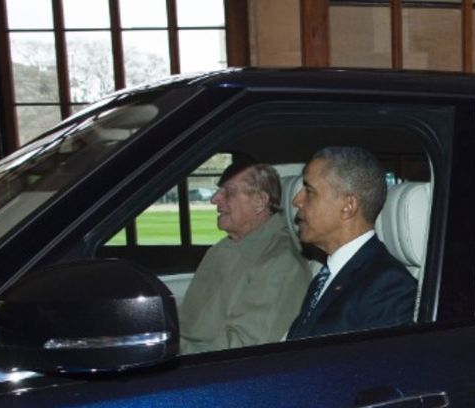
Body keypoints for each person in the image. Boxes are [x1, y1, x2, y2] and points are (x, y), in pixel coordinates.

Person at [178, 161, 312, 354]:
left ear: (259, 201)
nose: (214, 199)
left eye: (228, 192)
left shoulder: (280, 265)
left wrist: (170, 350)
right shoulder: (224, 247)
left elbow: (240, 353)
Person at [285, 146, 416, 340]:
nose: (297, 200)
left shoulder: (389, 287)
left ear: (348, 206)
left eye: (309, 191)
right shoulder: (325, 277)